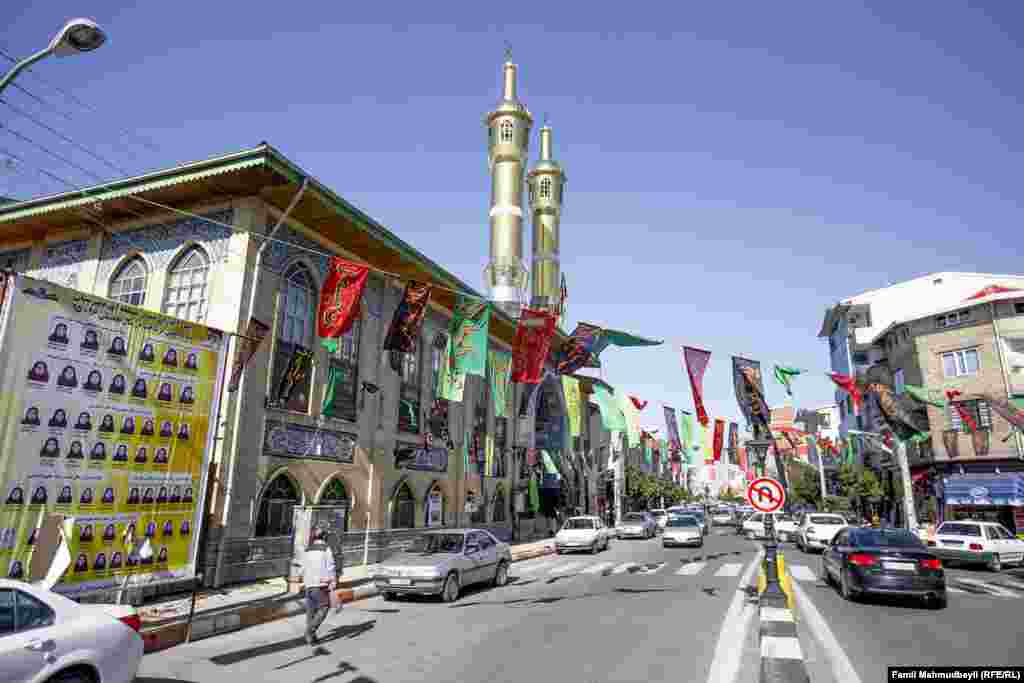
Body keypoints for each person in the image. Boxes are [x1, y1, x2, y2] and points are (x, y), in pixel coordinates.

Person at [301, 527, 338, 647]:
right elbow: (331, 566)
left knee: (311, 611)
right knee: (324, 608)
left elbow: (302, 568)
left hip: (308, 584)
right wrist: (333, 580)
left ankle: (311, 637)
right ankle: (309, 631)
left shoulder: (307, 549)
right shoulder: (326, 549)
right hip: (320, 584)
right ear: (324, 537)